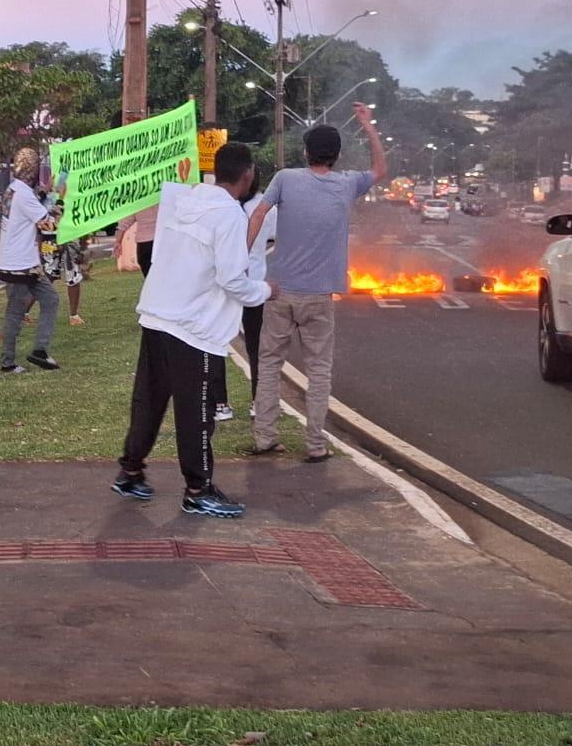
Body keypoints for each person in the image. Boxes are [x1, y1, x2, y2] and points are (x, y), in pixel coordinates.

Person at [111, 143, 274, 518]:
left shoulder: (182, 200)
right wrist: (266, 290)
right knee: (196, 411)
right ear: (248, 174)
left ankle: (130, 471)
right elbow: (233, 278)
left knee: (149, 402)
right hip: (192, 327)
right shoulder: (229, 215)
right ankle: (198, 489)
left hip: (156, 314)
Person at [247, 104, 387, 462]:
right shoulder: (347, 184)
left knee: (269, 364)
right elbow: (380, 170)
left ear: (306, 152)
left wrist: (241, 255)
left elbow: (260, 212)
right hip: (320, 297)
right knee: (319, 370)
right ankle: (315, 445)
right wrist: (368, 127)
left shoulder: (285, 179)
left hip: (278, 291)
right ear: (337, 155)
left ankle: (264, 438)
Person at [208, 167, 278, 423]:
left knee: (216, 342)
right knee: (257, 347)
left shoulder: (223, 208)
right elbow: (275, 237)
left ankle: (220, 404)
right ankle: (257, 403)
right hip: (255, 283)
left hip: (223, 284)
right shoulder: (266, 206)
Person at [0, 146, 60, 373]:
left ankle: (40, 350)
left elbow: (31, 206)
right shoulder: (23, 194)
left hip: (23, 263)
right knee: (15, 312)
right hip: (19, 265)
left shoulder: (13, 189)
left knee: (50, 300)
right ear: (33, 172)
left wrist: (46, 193)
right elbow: (49, 224)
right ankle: (7, 363)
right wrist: (59, 199)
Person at [36, 171, 86, 326]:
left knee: (71, 276)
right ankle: (24, 312)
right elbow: (49, 217)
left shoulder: (49, 196)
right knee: (48, 276)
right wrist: (59, 197)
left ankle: (74, 315)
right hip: (53, 240)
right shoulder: (44, 198)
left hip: (66, 238)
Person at [116, 203, 159, 276]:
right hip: (162, 241)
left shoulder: (138, 201)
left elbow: (124, 222)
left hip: (144, 243)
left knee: (149, 276)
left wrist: (117, 241)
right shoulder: (165, 196)